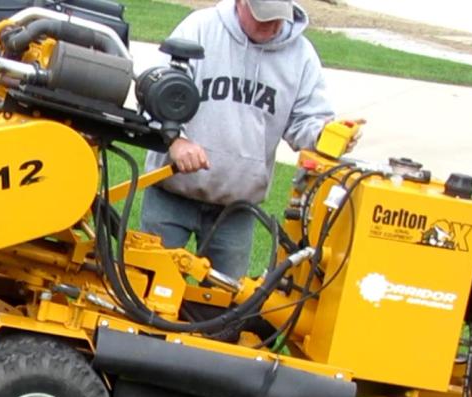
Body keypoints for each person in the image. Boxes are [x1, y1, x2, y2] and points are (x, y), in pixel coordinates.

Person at [141, 0, 338, 279]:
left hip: (236, 209)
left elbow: (306, 122)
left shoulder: (301, 55)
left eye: (277, 19)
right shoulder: (199, 28)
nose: (271, 26)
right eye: (263, 17)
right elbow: (155, 93)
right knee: (146, 292)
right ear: (241, 3)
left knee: (225, 309)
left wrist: (324, 133)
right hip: (173, 194)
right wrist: (176, 141)